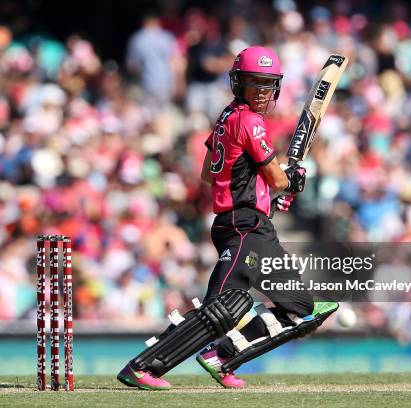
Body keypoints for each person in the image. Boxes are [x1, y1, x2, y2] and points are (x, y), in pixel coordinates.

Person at [117, 46, 338, 391]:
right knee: (224, 307)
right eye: (254, 83)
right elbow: (277, 179)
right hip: (243, 225)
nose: (262, 92)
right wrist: (289, 180)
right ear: (239, 84)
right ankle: (144, 367)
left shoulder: (227, 117)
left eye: (267, 84)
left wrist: (267, 192)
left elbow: (210, 173)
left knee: (302, 307)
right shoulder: (249, 121)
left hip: (247, 223)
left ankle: (223, 356)